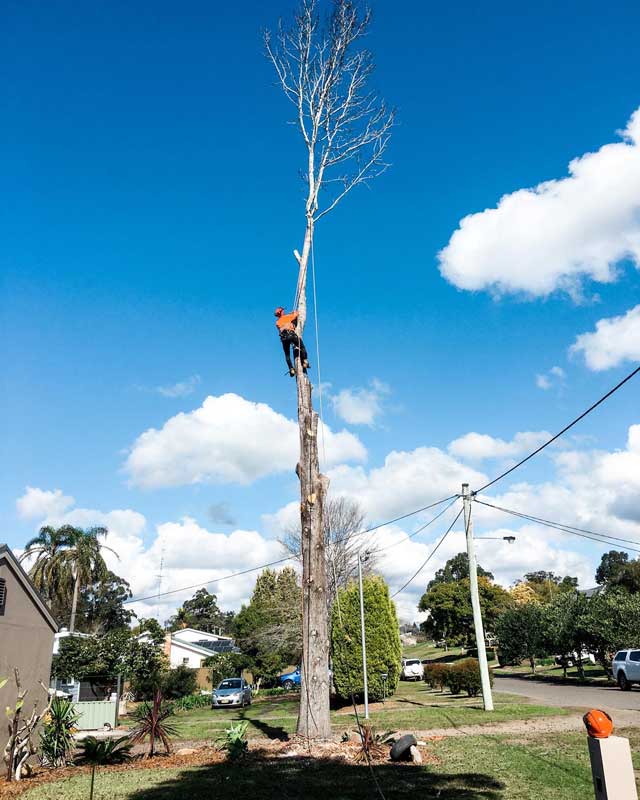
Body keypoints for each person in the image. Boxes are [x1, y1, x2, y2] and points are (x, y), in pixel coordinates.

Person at [274, 307, 310, 376]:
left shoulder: (277, 322)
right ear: (281, 312)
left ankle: (291, 369)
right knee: (302, 346)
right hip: (291, 335)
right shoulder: (288, 317)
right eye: (283, 311)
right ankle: (305, 361)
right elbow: (297, 313)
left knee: (287, 355)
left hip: (284, 338)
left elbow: (282, 325)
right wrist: (293, 313)